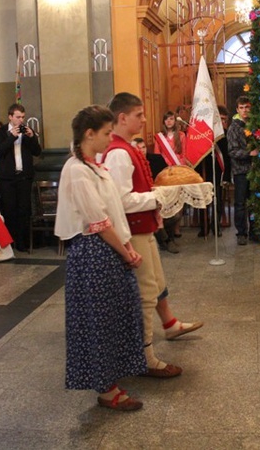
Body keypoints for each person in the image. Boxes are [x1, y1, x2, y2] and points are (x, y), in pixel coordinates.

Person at [104, 92, 203, 378]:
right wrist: (159, 197)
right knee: (146, 293)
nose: (144, 119)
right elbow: (121, 201)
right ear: (122, 118)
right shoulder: (119, 153)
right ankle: (145, 357)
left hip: (142, 228)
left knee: (157, 282)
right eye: (139, 114)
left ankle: (169, 324)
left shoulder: (126, 148)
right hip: (131, 231)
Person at [55, 105, 146, 411]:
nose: (110, 139)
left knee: (114, 316)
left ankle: (112, 378)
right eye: (106, 133)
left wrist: (127, 246)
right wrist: (126, 253)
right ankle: (106, 389)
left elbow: (114, 214)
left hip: (108, 250)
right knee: (99, 323)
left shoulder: (94, 167)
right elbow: (99, 221)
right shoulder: (78, 170)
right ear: (88, 134)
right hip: (94, 253)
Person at [0, 104, 42, 252]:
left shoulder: (27, 131)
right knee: (10, 210)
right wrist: (11, 137)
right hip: (7, 178)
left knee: (24, 210)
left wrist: (31, 137)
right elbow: (0, 151)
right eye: (17, 117)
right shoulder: (2, 132)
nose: (21, 120)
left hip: (24, 177)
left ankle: (23, 242)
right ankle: (11, 241)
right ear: (10, 117)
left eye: (22, 117)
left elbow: (37, 151)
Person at [132, 138, 179, 254]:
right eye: (138, 148)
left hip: (161, 192)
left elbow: (167, 175)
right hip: (143, 197)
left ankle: (167, 239)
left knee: (175, 213)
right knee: (158, 215)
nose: (142, 150)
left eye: (143, 147)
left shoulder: (156, 159)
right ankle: (166, 241)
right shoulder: (132, 163)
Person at [227, 96, 258, 245]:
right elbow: (232, 151)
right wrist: (249, 153)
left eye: (247, 107)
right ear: (237, 110)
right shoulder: (234, 127)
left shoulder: (254, 126)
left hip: (255, 170)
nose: (245, 110)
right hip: (240, 171)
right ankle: (241, 232)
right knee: (240, 203)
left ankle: (254, 230)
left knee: (253, 202)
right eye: (242, 107)